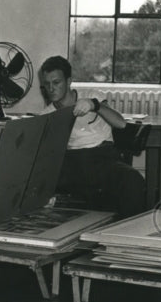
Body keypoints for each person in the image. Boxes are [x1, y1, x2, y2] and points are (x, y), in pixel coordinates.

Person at [38, 55, 146, 217]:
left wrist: (95, 105)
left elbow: (121, 124)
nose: (51, 88)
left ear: (69, 81)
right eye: (47, 84)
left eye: (56, 82)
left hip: (103, 157)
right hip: (72, 161)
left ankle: (128, 230)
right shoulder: (46, 115)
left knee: (133, 180)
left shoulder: (91, 95)